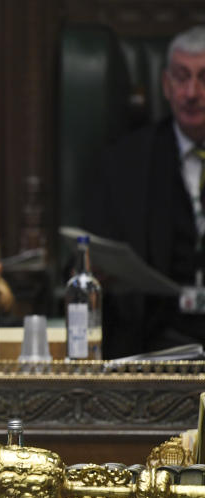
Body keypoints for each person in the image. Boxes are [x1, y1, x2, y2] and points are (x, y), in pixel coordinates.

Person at [85, 25, 205, 357]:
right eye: (181, 78)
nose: (192, 92)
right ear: (166, 85)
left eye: (203, 77)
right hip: (156, 343)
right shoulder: (124, 163)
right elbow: (94, 251)